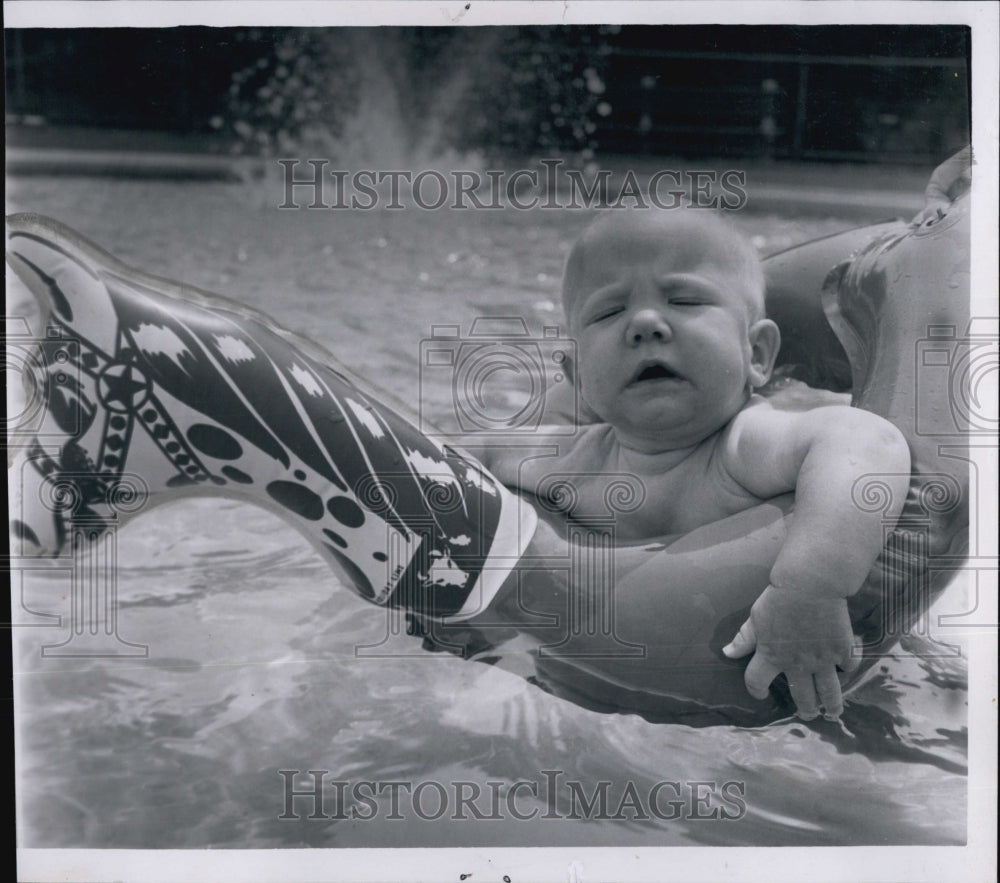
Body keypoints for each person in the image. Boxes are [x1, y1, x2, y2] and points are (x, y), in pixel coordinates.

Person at [472, 209, 912, 721]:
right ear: (576, 376)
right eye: (608, 313)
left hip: (798, 685)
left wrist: (811, 588)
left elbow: (871, 442)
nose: (644, 324)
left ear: (758, 355)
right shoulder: (573, 462)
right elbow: (468, 458)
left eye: (683, 301)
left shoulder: (743, 445)